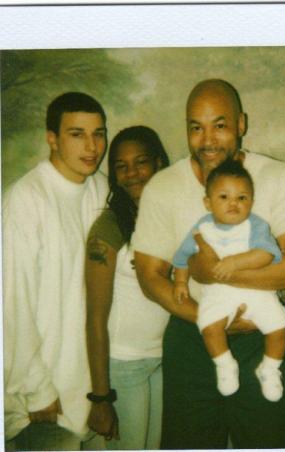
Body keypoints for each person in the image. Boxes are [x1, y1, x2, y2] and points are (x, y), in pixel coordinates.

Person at [132, 78, 285, 449]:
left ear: (241, 124)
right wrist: (207, 317)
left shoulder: (280, 177)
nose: (208, 140)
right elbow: (149, 276)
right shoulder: (163, 187)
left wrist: (216, 271)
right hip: (191, 335)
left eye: (219, 125)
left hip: (263, 338)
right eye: (196, 128)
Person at [3, 92, 108, 450]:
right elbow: (12, 304)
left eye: (98, 134)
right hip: (42, 400)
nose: (92, 146)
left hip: (89, 389)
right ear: (52, 138)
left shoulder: (100, 188)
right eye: (77, 134)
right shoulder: (26, 199)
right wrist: (37, 390)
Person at [173, 158, 285, 402]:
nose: (233, 203)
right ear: (208, 203)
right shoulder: (201, 229)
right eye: (224, 197)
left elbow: (266, 254)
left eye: (242, 198)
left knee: (279, 326)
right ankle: (225, 364)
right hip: (218, 293)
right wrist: (181, 282)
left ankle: (269, 368)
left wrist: (235, 263)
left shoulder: (256, 225)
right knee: (208, 326)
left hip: (257, 290)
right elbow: (182, 257)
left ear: (251, 202)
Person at [85, 126, 171, 450]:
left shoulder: (170, 217)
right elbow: (95, 316)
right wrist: (101, 397)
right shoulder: (109, 227)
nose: (132, 173)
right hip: (123, 364)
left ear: (159, 163)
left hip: (160, 359)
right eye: (121, 166)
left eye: (141, 162)